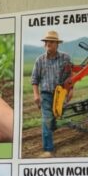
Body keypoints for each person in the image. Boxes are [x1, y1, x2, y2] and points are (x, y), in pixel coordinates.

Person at [30, 30, 72, 158]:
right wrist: (36, 95)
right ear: (44, 44)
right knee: (47, 120)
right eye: (47, 41)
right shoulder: (40, 60)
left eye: (52, 42)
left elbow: (70, 76)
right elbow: (34, 79)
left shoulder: (65, 58)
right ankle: (48, 149)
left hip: (60, 94)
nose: (49, 43)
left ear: (57, 44)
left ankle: (52, 126)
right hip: (46, 94)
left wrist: (71, 91)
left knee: (56, 116)